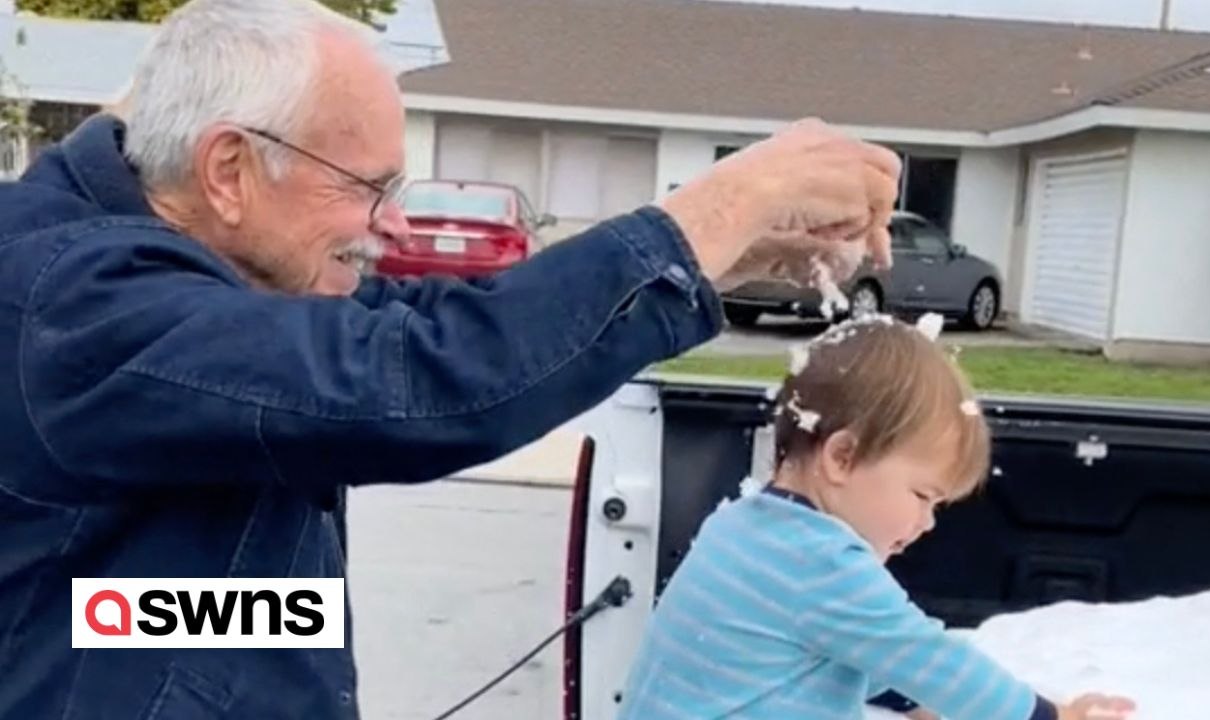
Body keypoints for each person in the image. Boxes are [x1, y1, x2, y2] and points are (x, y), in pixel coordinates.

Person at [0, 0, 902, 717]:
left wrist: (730, 260)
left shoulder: (197, 276)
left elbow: (433, 324)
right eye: (369, 187)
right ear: (230, 171)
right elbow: (420, 377)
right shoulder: (75, 304)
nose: (394, 222)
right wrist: (721, 205)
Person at [616, 317, 1137, 720]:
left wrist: (914, 699)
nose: (929, 522)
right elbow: (926, 655)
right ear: (842, 458)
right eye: (923, 495)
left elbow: (835, 653)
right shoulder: (820, 563)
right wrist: (1049, 715)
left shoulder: (747, 527)